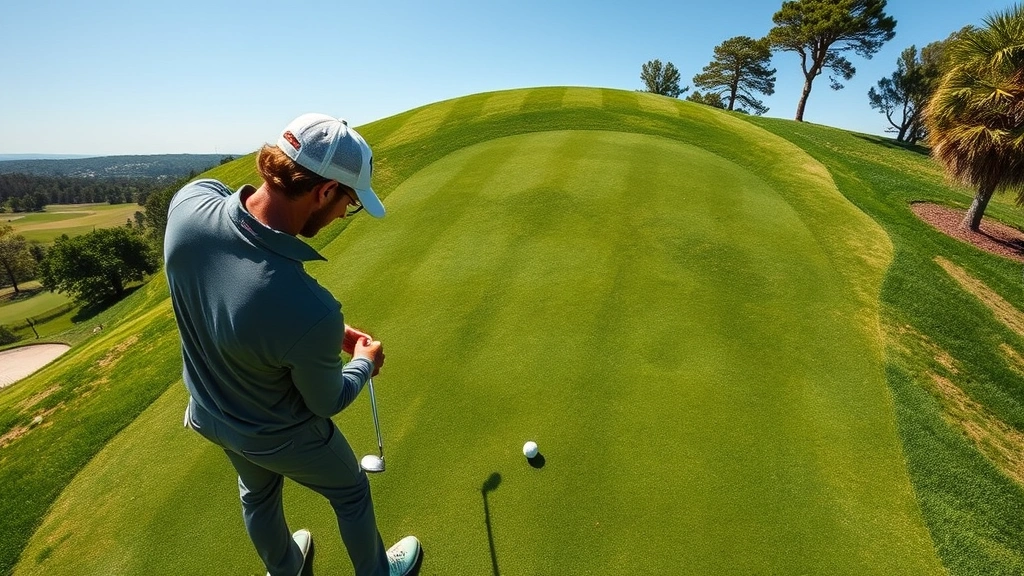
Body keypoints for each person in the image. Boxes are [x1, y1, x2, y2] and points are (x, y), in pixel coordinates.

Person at [164, 113, 421, 576]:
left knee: (257, 495)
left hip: (210, 415)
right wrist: (363, 363)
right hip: (281, 435)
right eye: (349, 202)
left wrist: (321, 336)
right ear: (325, 191)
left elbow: (237, 249)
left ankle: (284, 569)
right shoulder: (310, 308)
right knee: (351, 493)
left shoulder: (188, 205)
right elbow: (327, 401)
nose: (343, 213)